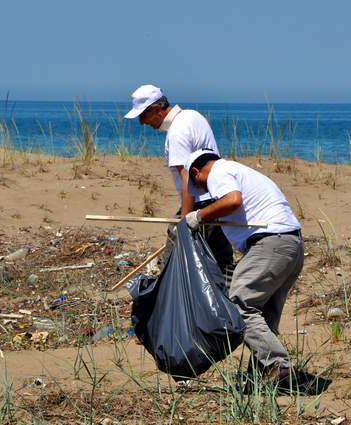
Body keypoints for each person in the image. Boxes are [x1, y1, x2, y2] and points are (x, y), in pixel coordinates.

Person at [184, 149, 330, 394]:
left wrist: (198, 215)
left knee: (238, 303)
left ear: (196, 172)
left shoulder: (218, 171)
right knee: (263, 314)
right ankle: (263, 376)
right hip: (290, 245)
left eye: (198, 183)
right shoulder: (242, 172)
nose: (203, 188)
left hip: (271, 243)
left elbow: (232, 201)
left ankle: (278, 366)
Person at [124, 84, 233, 272]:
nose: (142, 122)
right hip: (215, 197)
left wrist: (184, 223)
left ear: (157, 110)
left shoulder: (177, 132)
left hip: (200, 202)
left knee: (174, 259)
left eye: (143, 115)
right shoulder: (192, 116)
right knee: (219, 257)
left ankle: (167, 298)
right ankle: (228, 295)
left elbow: (187, 179)